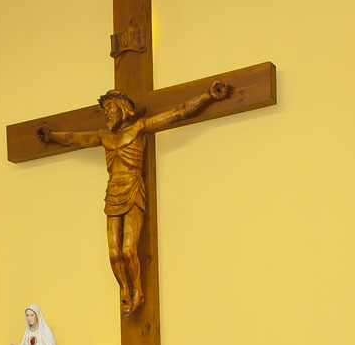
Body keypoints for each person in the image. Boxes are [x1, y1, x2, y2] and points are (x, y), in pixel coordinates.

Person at [38, 81, 230, 316]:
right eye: (104, 110)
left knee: (129, 250)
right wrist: (51, 136)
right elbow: (74, 138)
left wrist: (207, 96)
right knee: (114, 254)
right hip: (113, 193)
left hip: (133, 189)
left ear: (121, 107)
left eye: (110, 107)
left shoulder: (139, 128)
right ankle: (124, 289)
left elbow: (178, 113)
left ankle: (137, 290)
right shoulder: (104, 137)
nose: (106, 113)